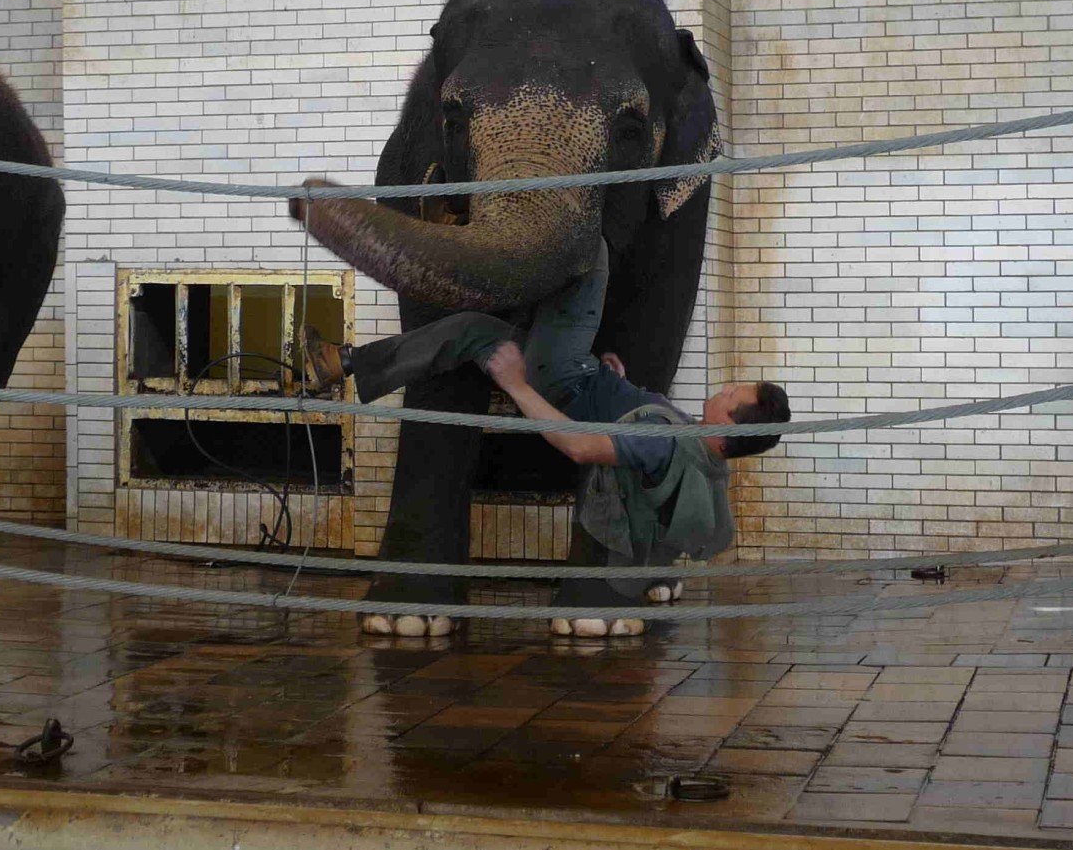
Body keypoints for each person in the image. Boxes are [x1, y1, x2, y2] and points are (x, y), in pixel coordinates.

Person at [300, 242, 791, 637]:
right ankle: (341, 363)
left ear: (730, 427)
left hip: (559, 377)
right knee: (469, 332)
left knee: (588, 247)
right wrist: (618, 381)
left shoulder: (665, 444)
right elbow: (638, 417)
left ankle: (525, 233)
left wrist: (516, 385)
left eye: (731, 393)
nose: (723, 388)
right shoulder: (705, 458)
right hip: (584, 377)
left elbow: (580, 447)